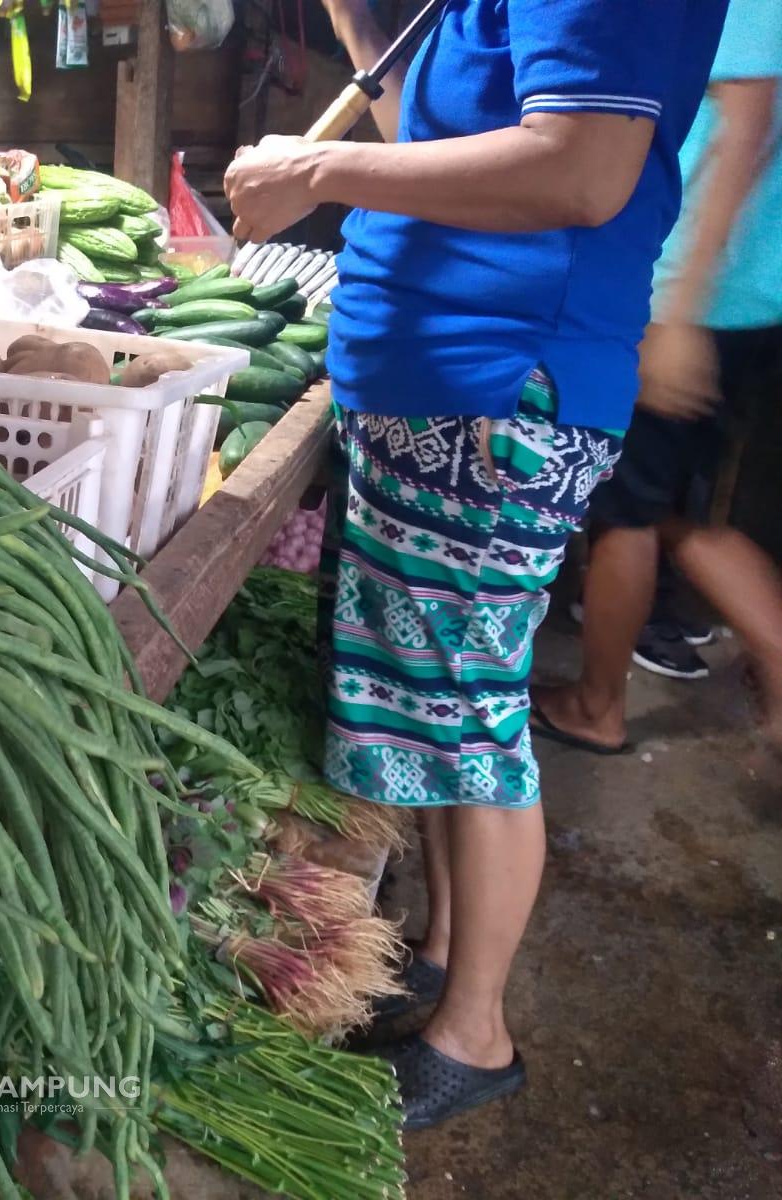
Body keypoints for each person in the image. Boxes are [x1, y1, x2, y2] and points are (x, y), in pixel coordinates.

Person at [223, 0, 729, 1129]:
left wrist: (320, 168)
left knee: (471, 716)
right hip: (441, 390)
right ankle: (447, 960)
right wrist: (362, 33)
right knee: (439, 713)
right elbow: (444, 153)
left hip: (496, 392)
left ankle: (475, 1037)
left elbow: (581, 170)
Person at [534, 0, 782, 755]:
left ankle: (596, 705)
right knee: (681, 512)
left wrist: (677, 310)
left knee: (627, 511)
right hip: (741, 294)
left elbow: (746, 131)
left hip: (694, 296)